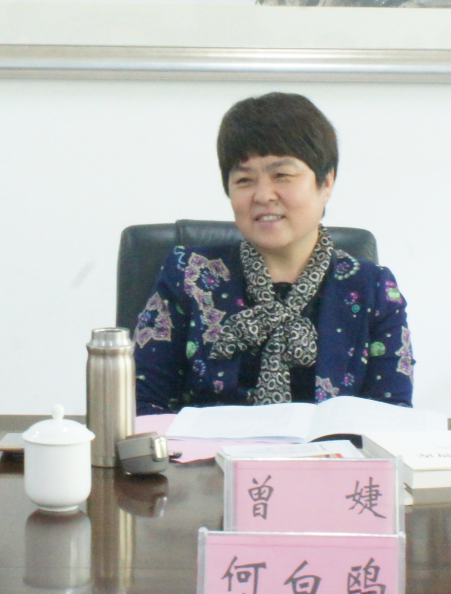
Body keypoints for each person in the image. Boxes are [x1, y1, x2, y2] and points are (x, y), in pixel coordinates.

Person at [134, 93, 414, 414]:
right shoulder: (188, 275)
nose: (264, 195)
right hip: (200, 449)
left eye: (282, 176)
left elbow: (391, 420)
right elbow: (144, 407)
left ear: (326, 182)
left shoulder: (373, 291)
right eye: (244, 180)